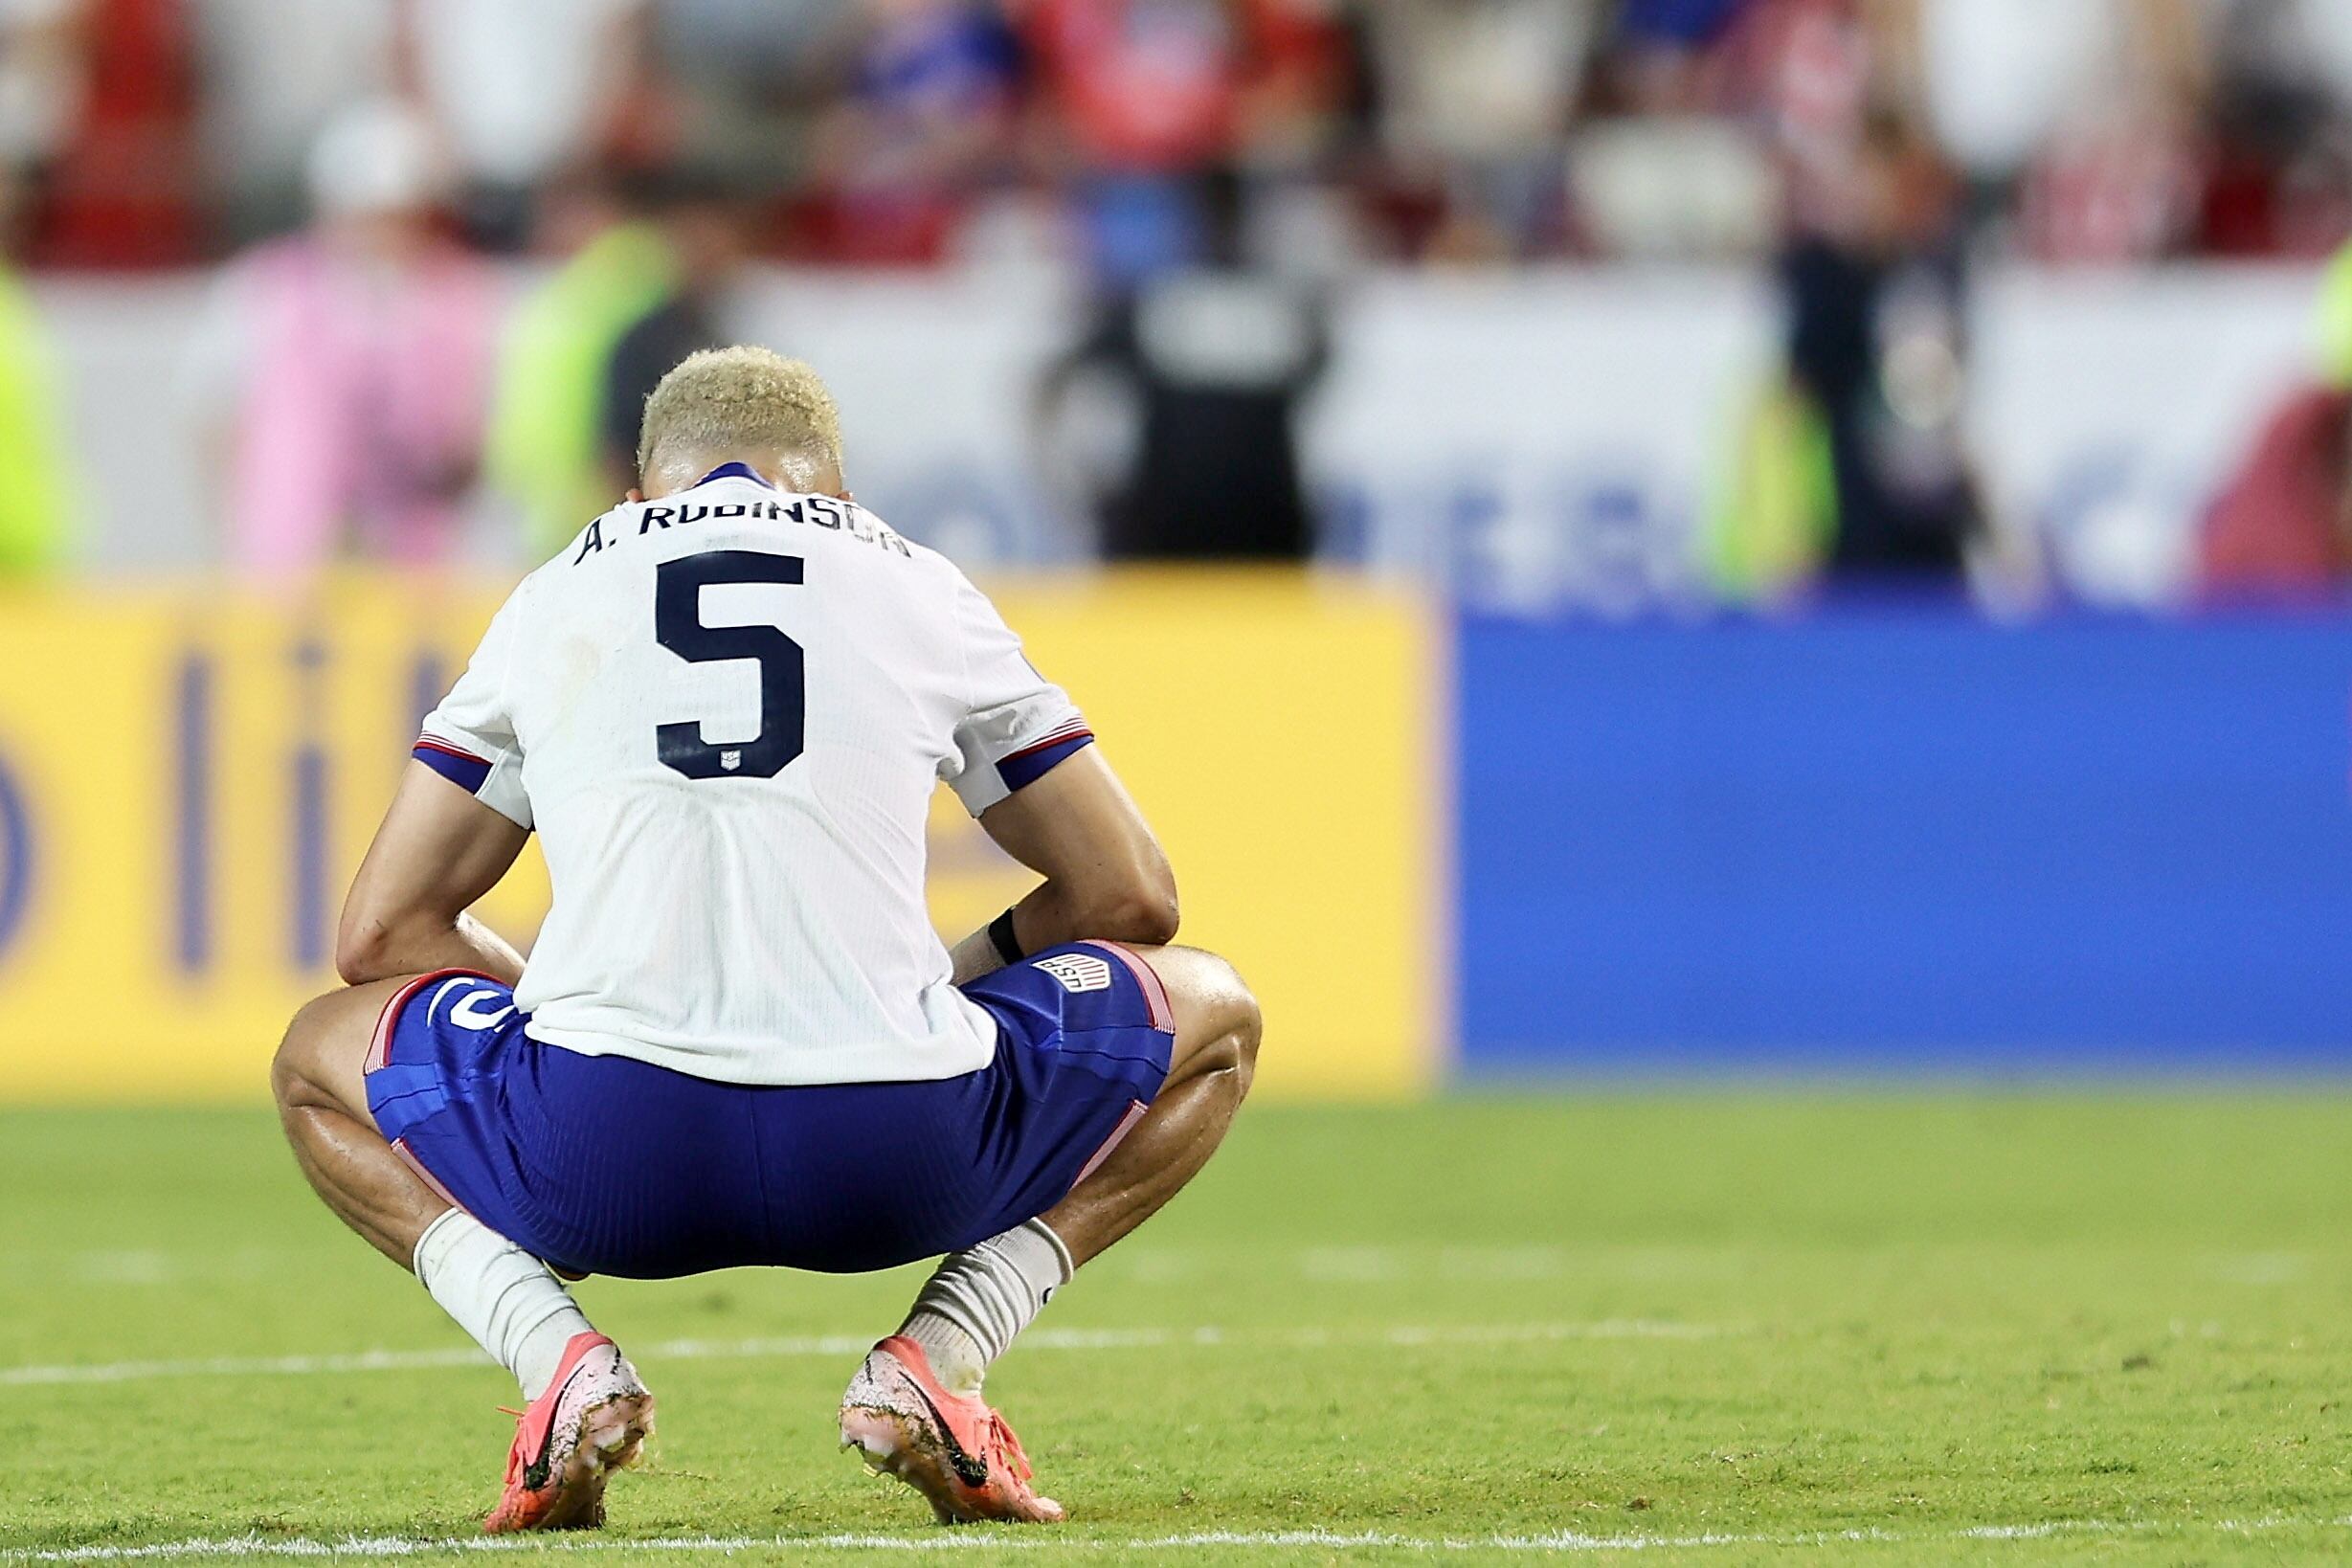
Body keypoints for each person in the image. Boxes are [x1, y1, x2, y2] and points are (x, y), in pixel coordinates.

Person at [268, 347, 1263, 1532]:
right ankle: (943, 1353)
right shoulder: (918, 581)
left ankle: (557, 1362)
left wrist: (561, 1015)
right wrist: (948, 978)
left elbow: (383, 929)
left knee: (314, 1056)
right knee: (1215, 1012)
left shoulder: (555, 593)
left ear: (637, 500)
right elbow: (1131, 897)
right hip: (900, 1155)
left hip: (604, 1158)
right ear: (838, 494)